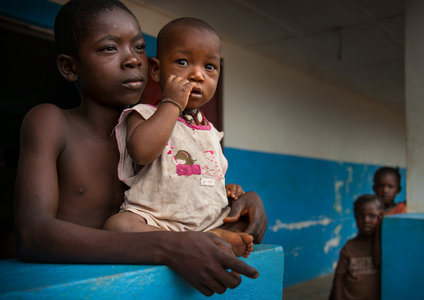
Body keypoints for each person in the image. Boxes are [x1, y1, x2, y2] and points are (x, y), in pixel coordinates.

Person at [14, 0, 267, 296]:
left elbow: (185, 192)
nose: (133, 60)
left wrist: (242, 199)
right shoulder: (51, 122)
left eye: (137, 48)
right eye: (110, 48)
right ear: (70, 67)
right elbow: (33, 235)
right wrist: (167, 245)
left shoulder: (168, 132)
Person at [103, 17, 259, 259]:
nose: (197, 75)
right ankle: (207, 241)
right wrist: (173, 103)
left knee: (242, 222)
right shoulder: (144, 115)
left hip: (208, 222)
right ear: (156, 70)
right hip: (158, 223)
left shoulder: (211, 132)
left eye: (209, 67)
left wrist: (226, 190)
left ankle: (213, 236)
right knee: (117, 226)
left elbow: (206, 176)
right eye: (183, 62)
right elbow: (142, 152)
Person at [330, 194, 384, 300]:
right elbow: (338, 279)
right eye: (360, 216)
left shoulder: (384, 247)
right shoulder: (349, 247)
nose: (366, 220)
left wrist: (379, 229)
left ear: (381, 217)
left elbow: (378, 262)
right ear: (355, 217)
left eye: (372, 216)